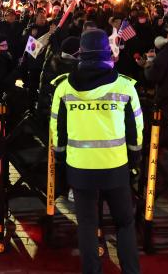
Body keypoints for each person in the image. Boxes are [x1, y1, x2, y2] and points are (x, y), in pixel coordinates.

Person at [50, 29, 143, 274]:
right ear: (108, 53)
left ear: (81, 54)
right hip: (115, 165)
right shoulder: (125, 86)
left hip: (80, 166)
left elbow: (56, 129)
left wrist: (61, 157)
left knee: (87, 225)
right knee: (124, 222)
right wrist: (134, 157)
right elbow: (136, 129)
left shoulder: (64, 88)